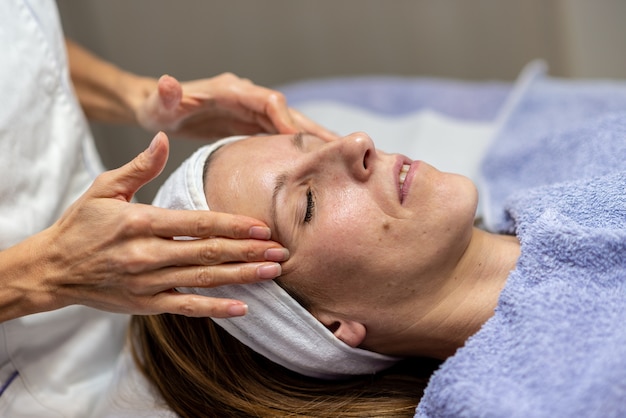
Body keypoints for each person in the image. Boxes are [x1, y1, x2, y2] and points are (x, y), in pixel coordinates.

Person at [132, 99, 626, 417]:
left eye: (315, 143)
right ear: (324, 329)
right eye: (307, 204)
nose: (356, 143)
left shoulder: (577, 156)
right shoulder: (515, 402)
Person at [0, 1, 333, 415]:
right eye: (309, 204)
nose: (357, 142)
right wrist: (47, 270)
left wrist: (134, 96)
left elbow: (19, 40)